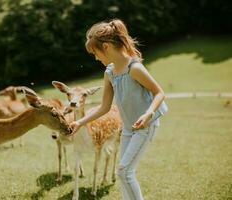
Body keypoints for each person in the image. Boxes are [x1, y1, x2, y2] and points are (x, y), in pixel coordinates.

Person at [70, 18, 168, 200]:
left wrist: (149, 113)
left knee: (124, 172)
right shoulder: (109, 72)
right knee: (123, 174)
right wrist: (80, 122)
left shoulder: (134, 68)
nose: (96, 58)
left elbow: (159, 93)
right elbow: (104, 107)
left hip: (145, 127)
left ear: (106, 46)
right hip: (128, 130)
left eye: (95, 53)